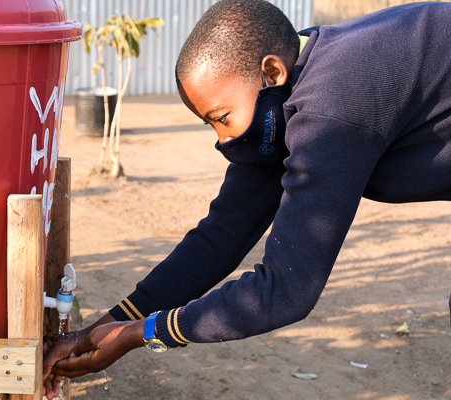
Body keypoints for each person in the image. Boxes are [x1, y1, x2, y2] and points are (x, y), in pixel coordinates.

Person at [42, 0, 451, 396]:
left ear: (271, 71)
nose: (223, 140)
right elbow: (221, 236)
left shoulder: (332, 106)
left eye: (221, 117)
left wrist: (142, 334)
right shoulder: (288, 100)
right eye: (210, 125)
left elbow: (286, 290)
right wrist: (100, 328)